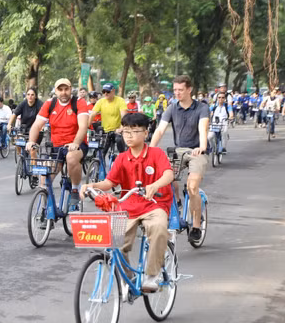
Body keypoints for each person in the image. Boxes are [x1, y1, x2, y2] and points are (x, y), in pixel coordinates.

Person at [80, 112, 174, 292]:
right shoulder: (122, 158)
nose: (129, 136)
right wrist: (92, 185)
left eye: (134, 131)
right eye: (125, 132)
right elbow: (110, 182)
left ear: (146, 133)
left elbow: (168, 174)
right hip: (128, 206)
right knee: (114, 242)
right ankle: (128, 277)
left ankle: (152, 275)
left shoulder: (156, 154)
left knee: (158, 228)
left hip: (155, 204)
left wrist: (155, 185)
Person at [150, 75, 209, 243]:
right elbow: (160, 130)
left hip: (196, 151)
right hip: (177, 151)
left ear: (189, 89)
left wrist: (202, 146)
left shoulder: (201, 108)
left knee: (192, 186)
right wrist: (151, 149)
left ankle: (196, 225)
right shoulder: (172, 108)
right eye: (175, 90)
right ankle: (176, 202)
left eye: (180, 90)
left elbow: (202, 128)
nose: (177, 93)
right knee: (162, 178)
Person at [27, 78, 90, 210]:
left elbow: (83, 126)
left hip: (76, 145)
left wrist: (75, 143)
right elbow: (37, 125)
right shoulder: (50, 104)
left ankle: (74, 190)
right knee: (45, 177)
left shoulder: (79, 102)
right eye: (60, 90)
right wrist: (31, 141)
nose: (63, 92)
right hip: (56, 147)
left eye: (66, 89)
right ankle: (46, 209)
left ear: (71, 89)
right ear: (56, 91)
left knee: (71, 157)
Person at [89, 83, 128, 154]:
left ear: (113, 91)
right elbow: (92, 115)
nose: (105, 94)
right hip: (105, 130)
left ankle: (123, 158)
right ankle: (99, 164)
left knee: (119, 141)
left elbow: (124, 116)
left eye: (108, 91)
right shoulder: (100, 101)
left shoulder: (120, 100)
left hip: (117, 130)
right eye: (104, 92)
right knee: (101, 152)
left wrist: (121, 128)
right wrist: (86, 126)